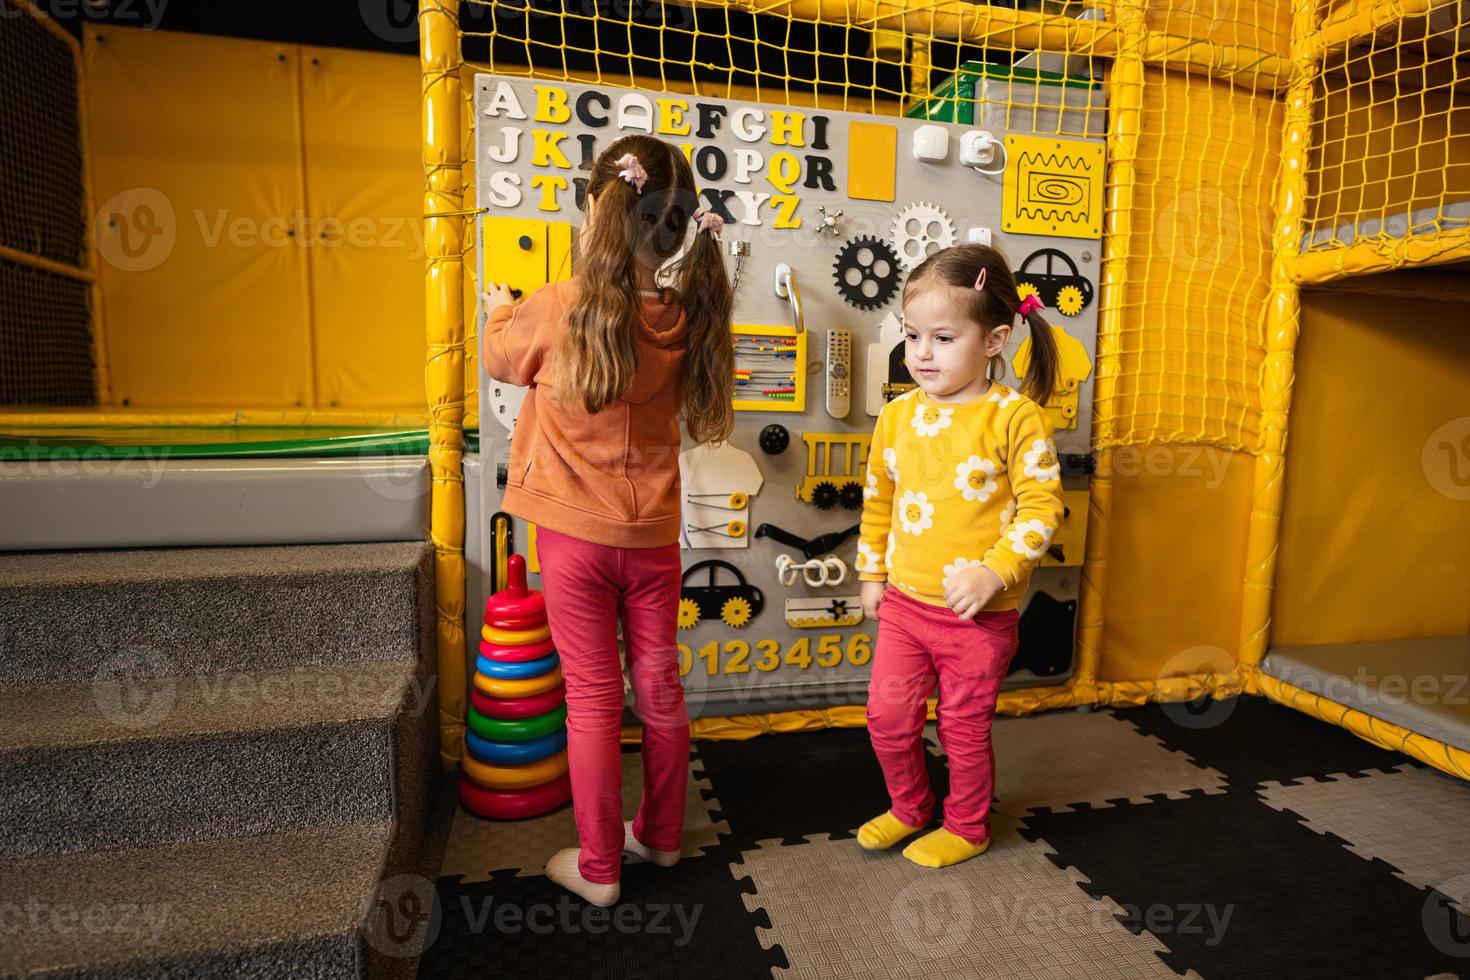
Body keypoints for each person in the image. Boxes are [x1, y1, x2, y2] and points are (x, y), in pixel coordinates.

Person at [479, 133, 734, 906]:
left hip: (571, 538)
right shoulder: (688, 316)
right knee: (658, 690)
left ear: (598, 206)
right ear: (682, 226)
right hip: (651, 539)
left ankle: (597, 870)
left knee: (589, 699)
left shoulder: (557, 306)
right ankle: (658, 838)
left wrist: (499, 313)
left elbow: (499, 359)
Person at [854, 243, 1065, 868]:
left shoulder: (1015, 417)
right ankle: (909, 808)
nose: (921, 353)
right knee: (887, 719)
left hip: (978, 619)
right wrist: (872, 572)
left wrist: (994, 569)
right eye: (912, 335)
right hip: (904, 608)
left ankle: (968, 826)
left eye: (943, 338)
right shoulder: (895, 417)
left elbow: (1042, 509)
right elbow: (878, 501)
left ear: (994, 340)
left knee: (962, 731)